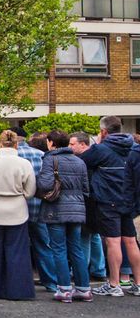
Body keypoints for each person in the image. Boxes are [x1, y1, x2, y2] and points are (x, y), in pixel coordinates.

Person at [79, 116, 140, 297]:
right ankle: (138, 282)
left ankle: (114, 284)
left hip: (108, 199)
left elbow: (83, 161)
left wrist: (97, 143)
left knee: (112, 241)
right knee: (130, 241)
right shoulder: (133, 148)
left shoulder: (102, 149)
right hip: (128, 200)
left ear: (104, 131)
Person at [0, 129, 36, 300]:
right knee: (17, 251)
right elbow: (31, 190)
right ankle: (17, 290)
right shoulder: (24, 163)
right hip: (17, 209)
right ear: (17, 144)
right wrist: (19, 194)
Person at [36, 129, 91, 302]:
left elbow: (45, 184)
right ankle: (84, 288)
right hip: (77, 209)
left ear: (51, 143)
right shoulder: (79, 161)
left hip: (56, 209)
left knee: (59, 249)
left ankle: (64, 289)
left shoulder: (50, 159)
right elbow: (85, 188)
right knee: (76, 249)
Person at [16, 127, 56, 293]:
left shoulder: (12, 157)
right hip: (39, 206)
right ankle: (51, 282)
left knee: (19, 245)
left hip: (18, 207)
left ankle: (22, 281)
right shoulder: (41, 155)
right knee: (43, 245)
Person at [69, 132, 107, 283]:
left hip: (87, 202)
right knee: (94, 235)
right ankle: (98, 269)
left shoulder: (83, 160)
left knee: (84, 236)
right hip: (96, 201)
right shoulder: (96, 158)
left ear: (83, 144)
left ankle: (81, 270)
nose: (69, 147)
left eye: (72, 144)